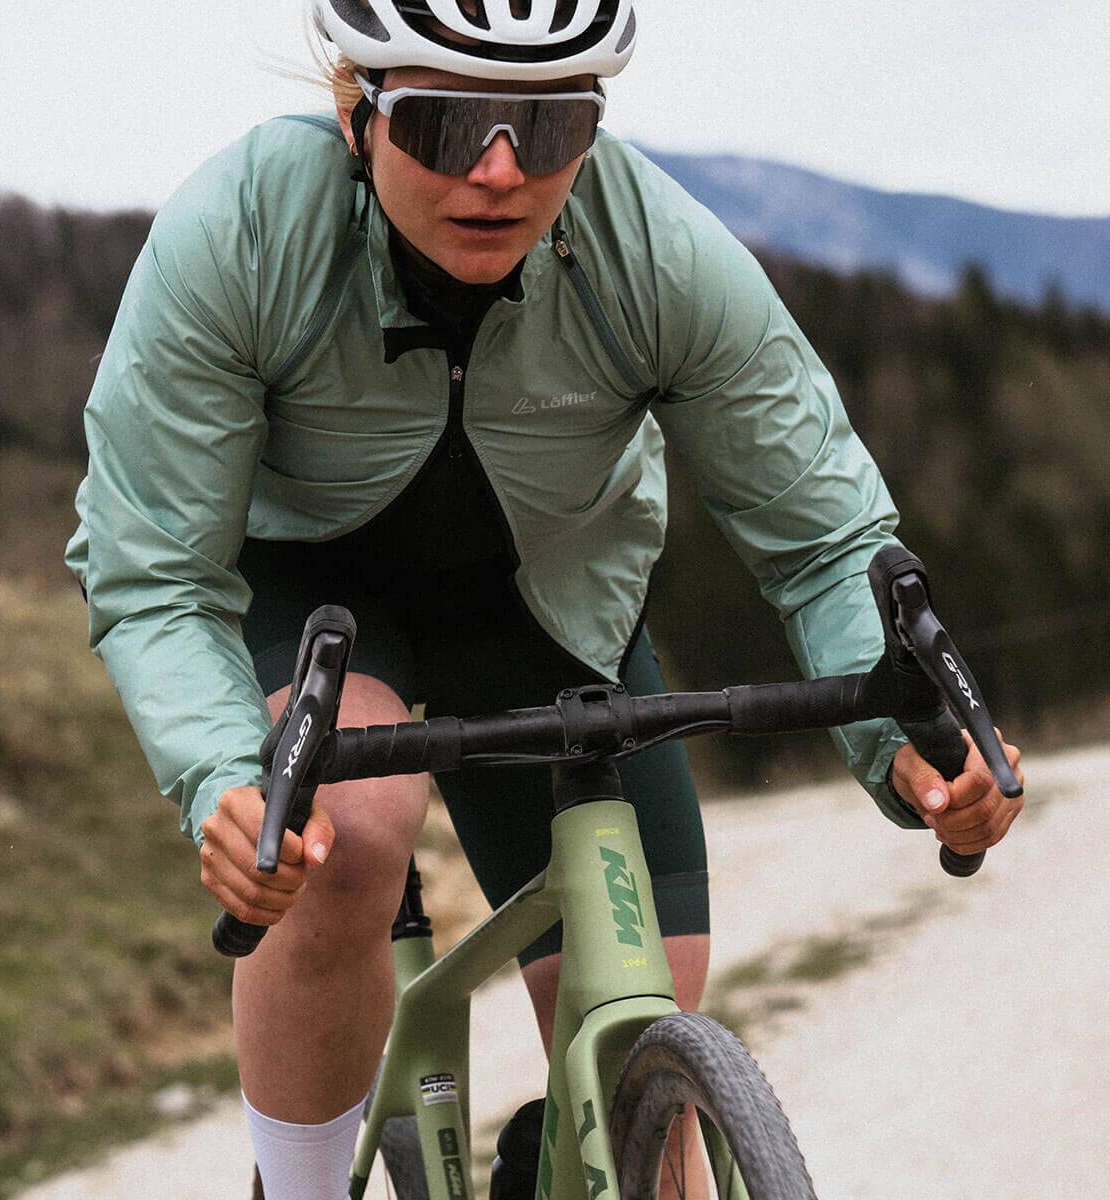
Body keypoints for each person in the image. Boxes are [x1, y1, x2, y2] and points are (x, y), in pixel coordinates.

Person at [65, 1, 1024, 1197]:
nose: (500, 170)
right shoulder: (245, 229)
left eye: (552, 124)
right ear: (359, 113)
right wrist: (221, 771)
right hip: (316, 600)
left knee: (640, 1052)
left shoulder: (656, 252)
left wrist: (913, 746)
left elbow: (826, 537)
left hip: (553, 607)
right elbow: (153, 565)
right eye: (447, 123)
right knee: (345, 839)